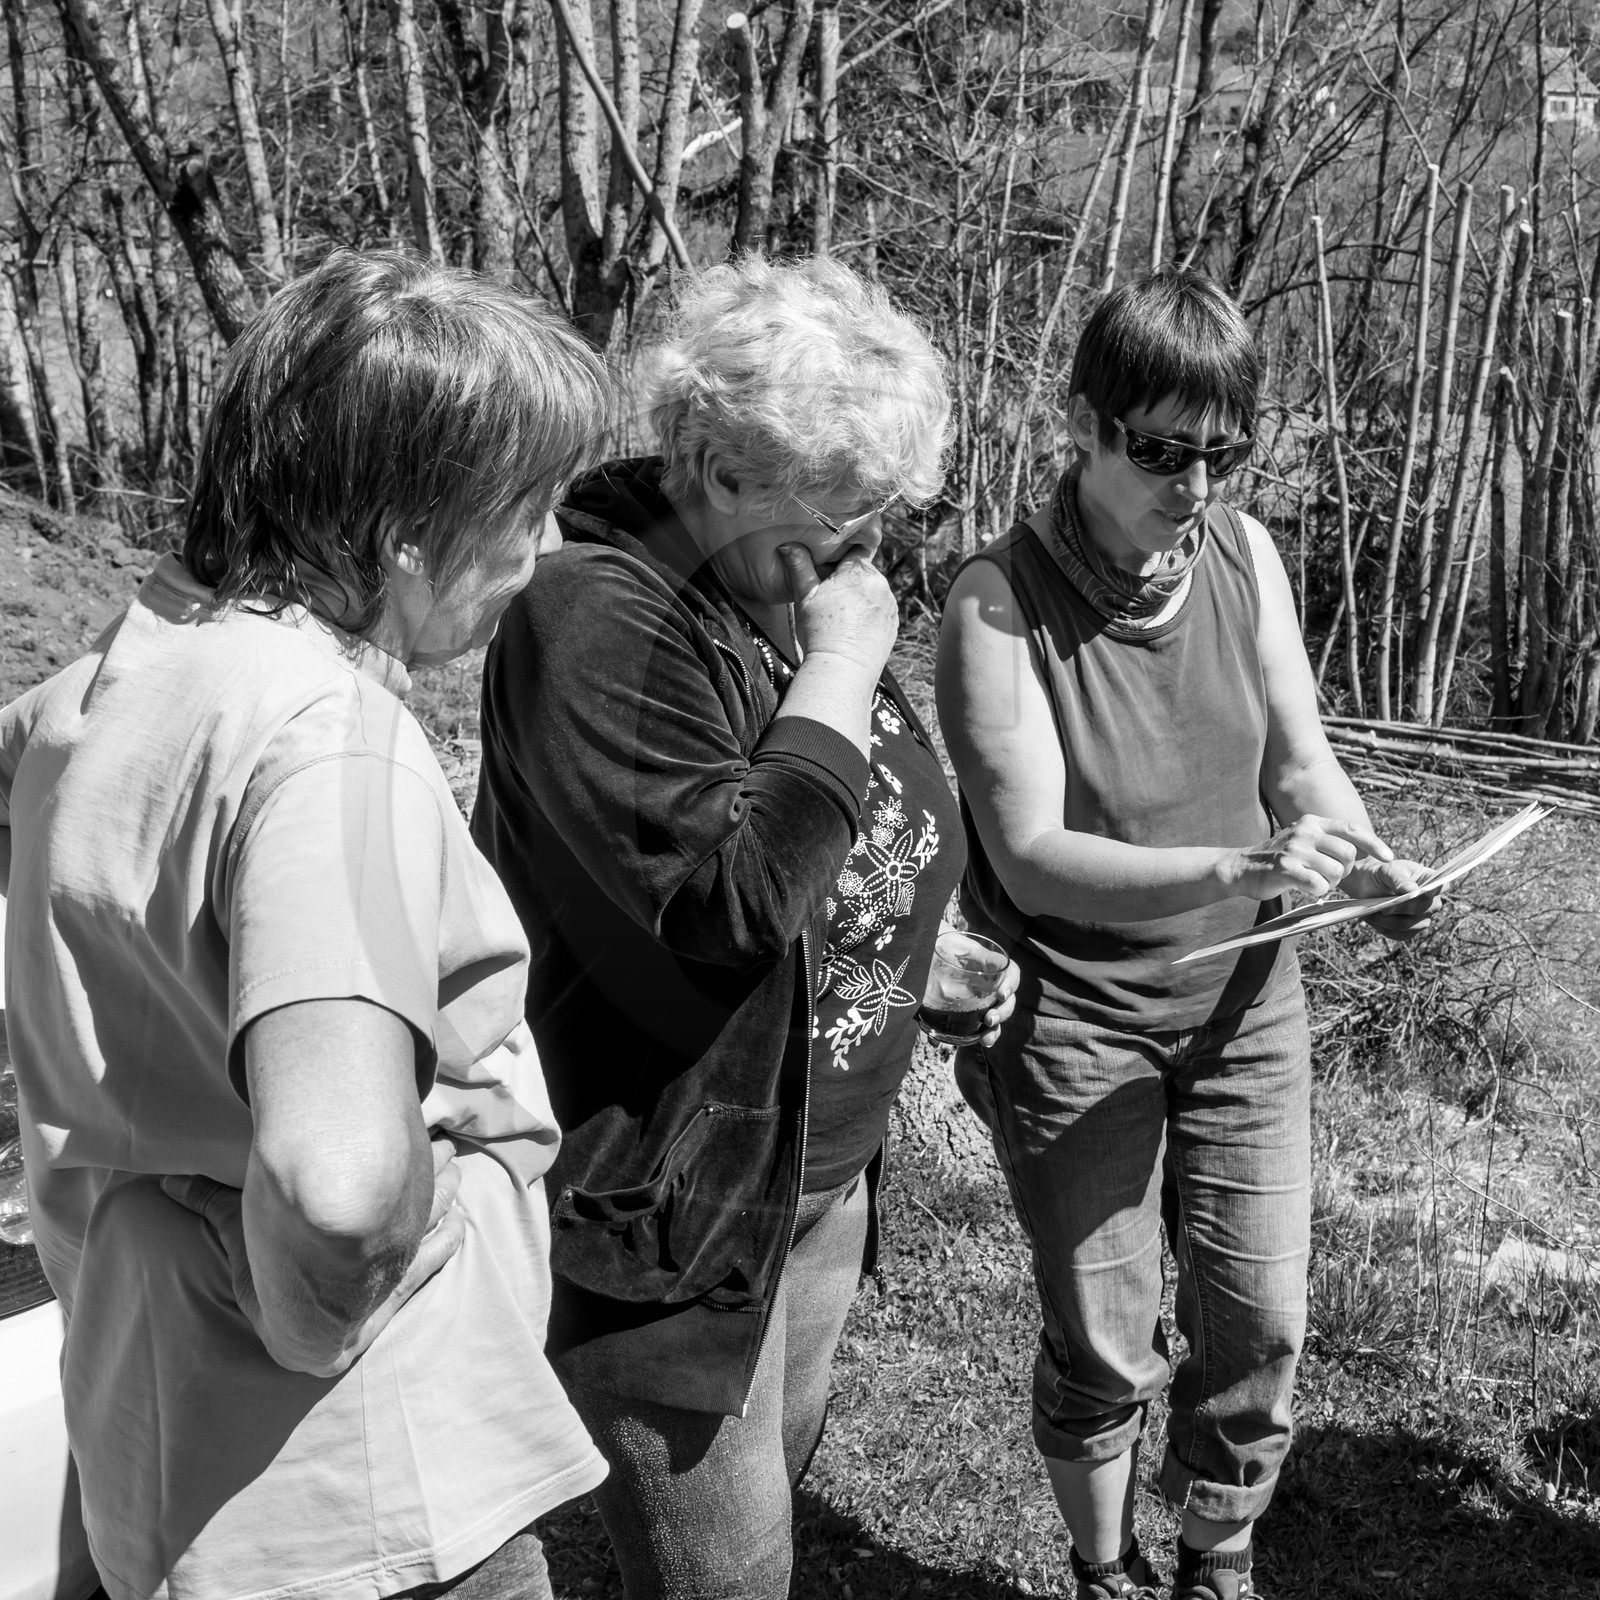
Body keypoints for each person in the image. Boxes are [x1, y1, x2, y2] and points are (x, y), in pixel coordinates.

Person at [0, 250, 615, 1600]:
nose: (550, 548)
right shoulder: (330, 740)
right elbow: (337, 1189)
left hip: (162, 1460)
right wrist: (321, 1315)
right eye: (529, 509)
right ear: (408, 530)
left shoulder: (113, 679)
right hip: (363, 1499)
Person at [472, 254, 1017, 1599]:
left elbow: (820, 829)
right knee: (721, 1580)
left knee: (756, 1531)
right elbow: (724, 901)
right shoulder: (594, 613)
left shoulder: (771, 572)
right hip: (672, 1206)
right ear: (715, 462)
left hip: (810, 1179)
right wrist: (841, 659)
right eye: (840, 513)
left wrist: (898, 946)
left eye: (880, 517)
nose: (864, 556)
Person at [936, 269, 1437, 1600]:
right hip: (1078, 1016)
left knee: (1260, 1318)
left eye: (1227, 451)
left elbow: (1301, 761)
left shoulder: (1244, 556)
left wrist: (1370, 860)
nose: (1198, 484)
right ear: (1086, 424)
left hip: (1246, 1005)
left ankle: (1218, 1563)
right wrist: (1237, 861)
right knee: (1106, 1333)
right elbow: (1035, 860)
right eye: (1164, 451)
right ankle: (1103, 1569)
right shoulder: (995, 606)